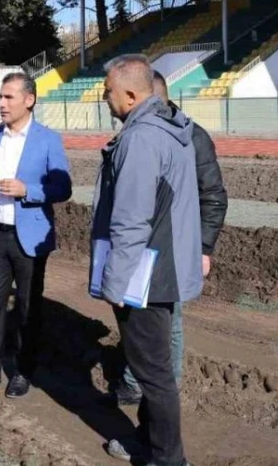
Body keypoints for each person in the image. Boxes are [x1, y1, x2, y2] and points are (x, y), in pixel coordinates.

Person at [91, 55, 202, 466]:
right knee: (155, 370)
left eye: (108, 92)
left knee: (153, 376)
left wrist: (115, 284)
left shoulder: (140, 139)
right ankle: (148, 442)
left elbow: (131, 219)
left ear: (132, 95)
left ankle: (168, 459)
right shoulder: (169, 129)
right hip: (164, 269)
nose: (105, 98)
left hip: (145, 277)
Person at [109, 71, 228, 408]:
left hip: (174, 247)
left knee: (169, 322)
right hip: (145, 243)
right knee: (140, 319)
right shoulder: (141, 135)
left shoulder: (192, 137)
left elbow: (214, 195)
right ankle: (141, 379)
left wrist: (203, 247)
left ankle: (158, 390)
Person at [0, 72, 72, 398]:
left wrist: (28, 190)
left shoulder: (48, 139)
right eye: (0, 97)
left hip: (29, 237)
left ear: (29, 100)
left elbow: (63, 187)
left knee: (28, 307)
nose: (1, 103)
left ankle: (23, 371)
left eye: (8, 97)